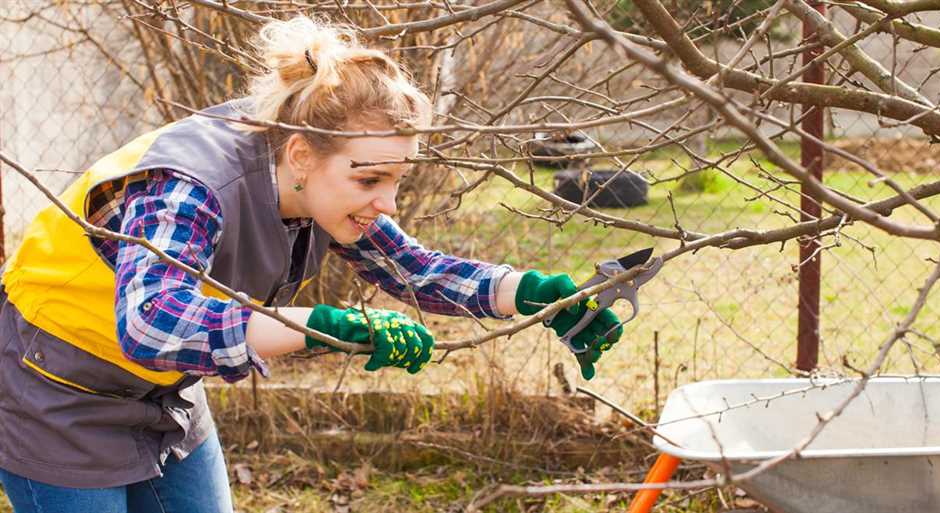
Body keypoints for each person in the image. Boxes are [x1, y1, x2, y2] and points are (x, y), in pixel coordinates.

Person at [0, 16, 625, 513]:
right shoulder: (188, 187)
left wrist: (540, 296)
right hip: (56, 392)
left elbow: (417, 270)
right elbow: (154, 324)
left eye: (398, 181)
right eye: (372, 179)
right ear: (302, 153)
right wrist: (320, 327)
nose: (387, 203)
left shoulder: (320, 187)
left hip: (164, 396)